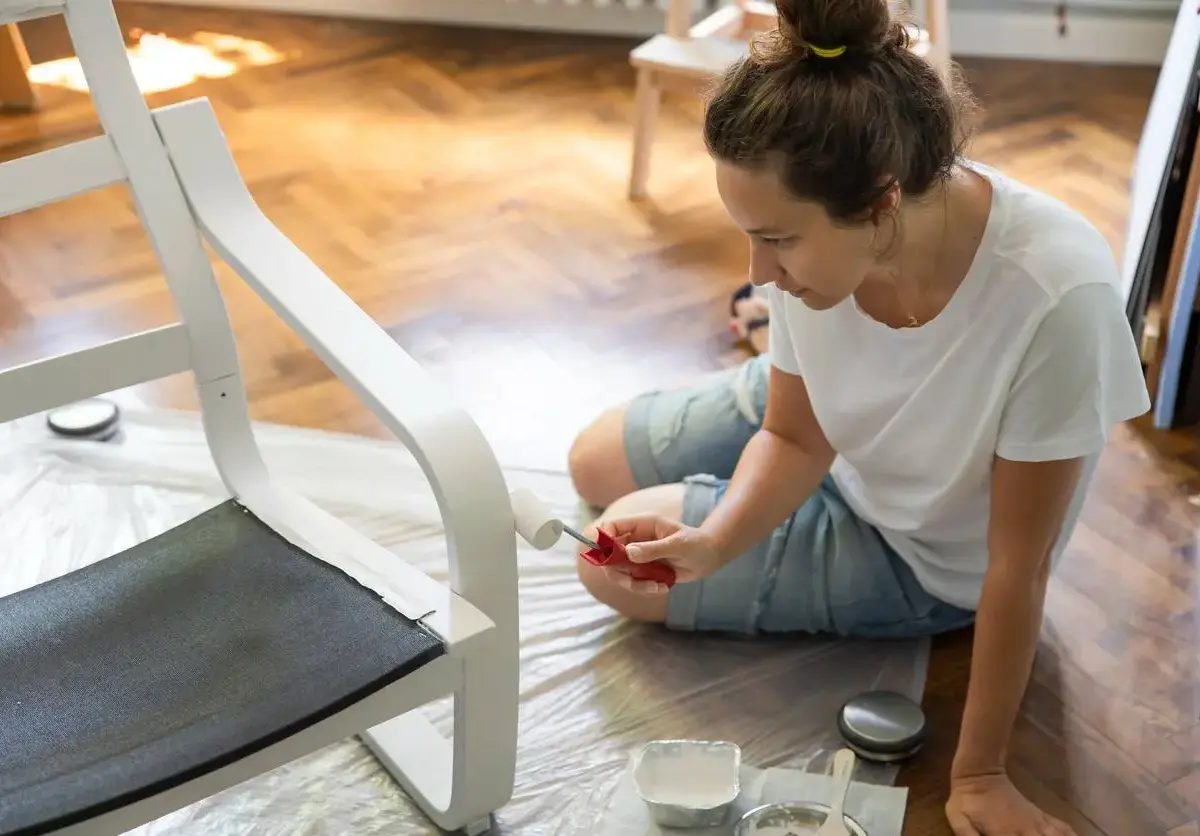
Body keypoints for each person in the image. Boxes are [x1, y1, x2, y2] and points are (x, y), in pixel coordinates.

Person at [567, 1, 1151, 834]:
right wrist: (721, 538)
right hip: (834, 428)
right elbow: (796, 434)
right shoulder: (818, 258)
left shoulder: (1057, 296)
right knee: (592, 462)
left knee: (609, 555)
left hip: (919, 553)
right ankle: (720, 491)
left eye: (775, 241)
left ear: (881, 206)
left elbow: (1016, 570)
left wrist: (980, 772)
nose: (757, 273)